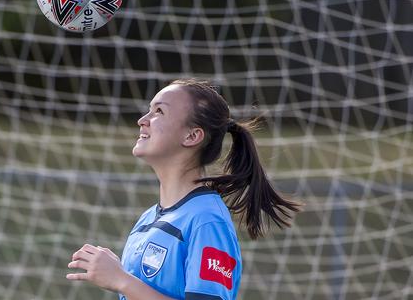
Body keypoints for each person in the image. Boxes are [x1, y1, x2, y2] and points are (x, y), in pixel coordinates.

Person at [66, 78, 301, 299]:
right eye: (149, 109)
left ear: (192, 136)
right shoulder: (147, 220)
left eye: (159, 111)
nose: (143, 119)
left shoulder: (206, 220)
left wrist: (122, 280)